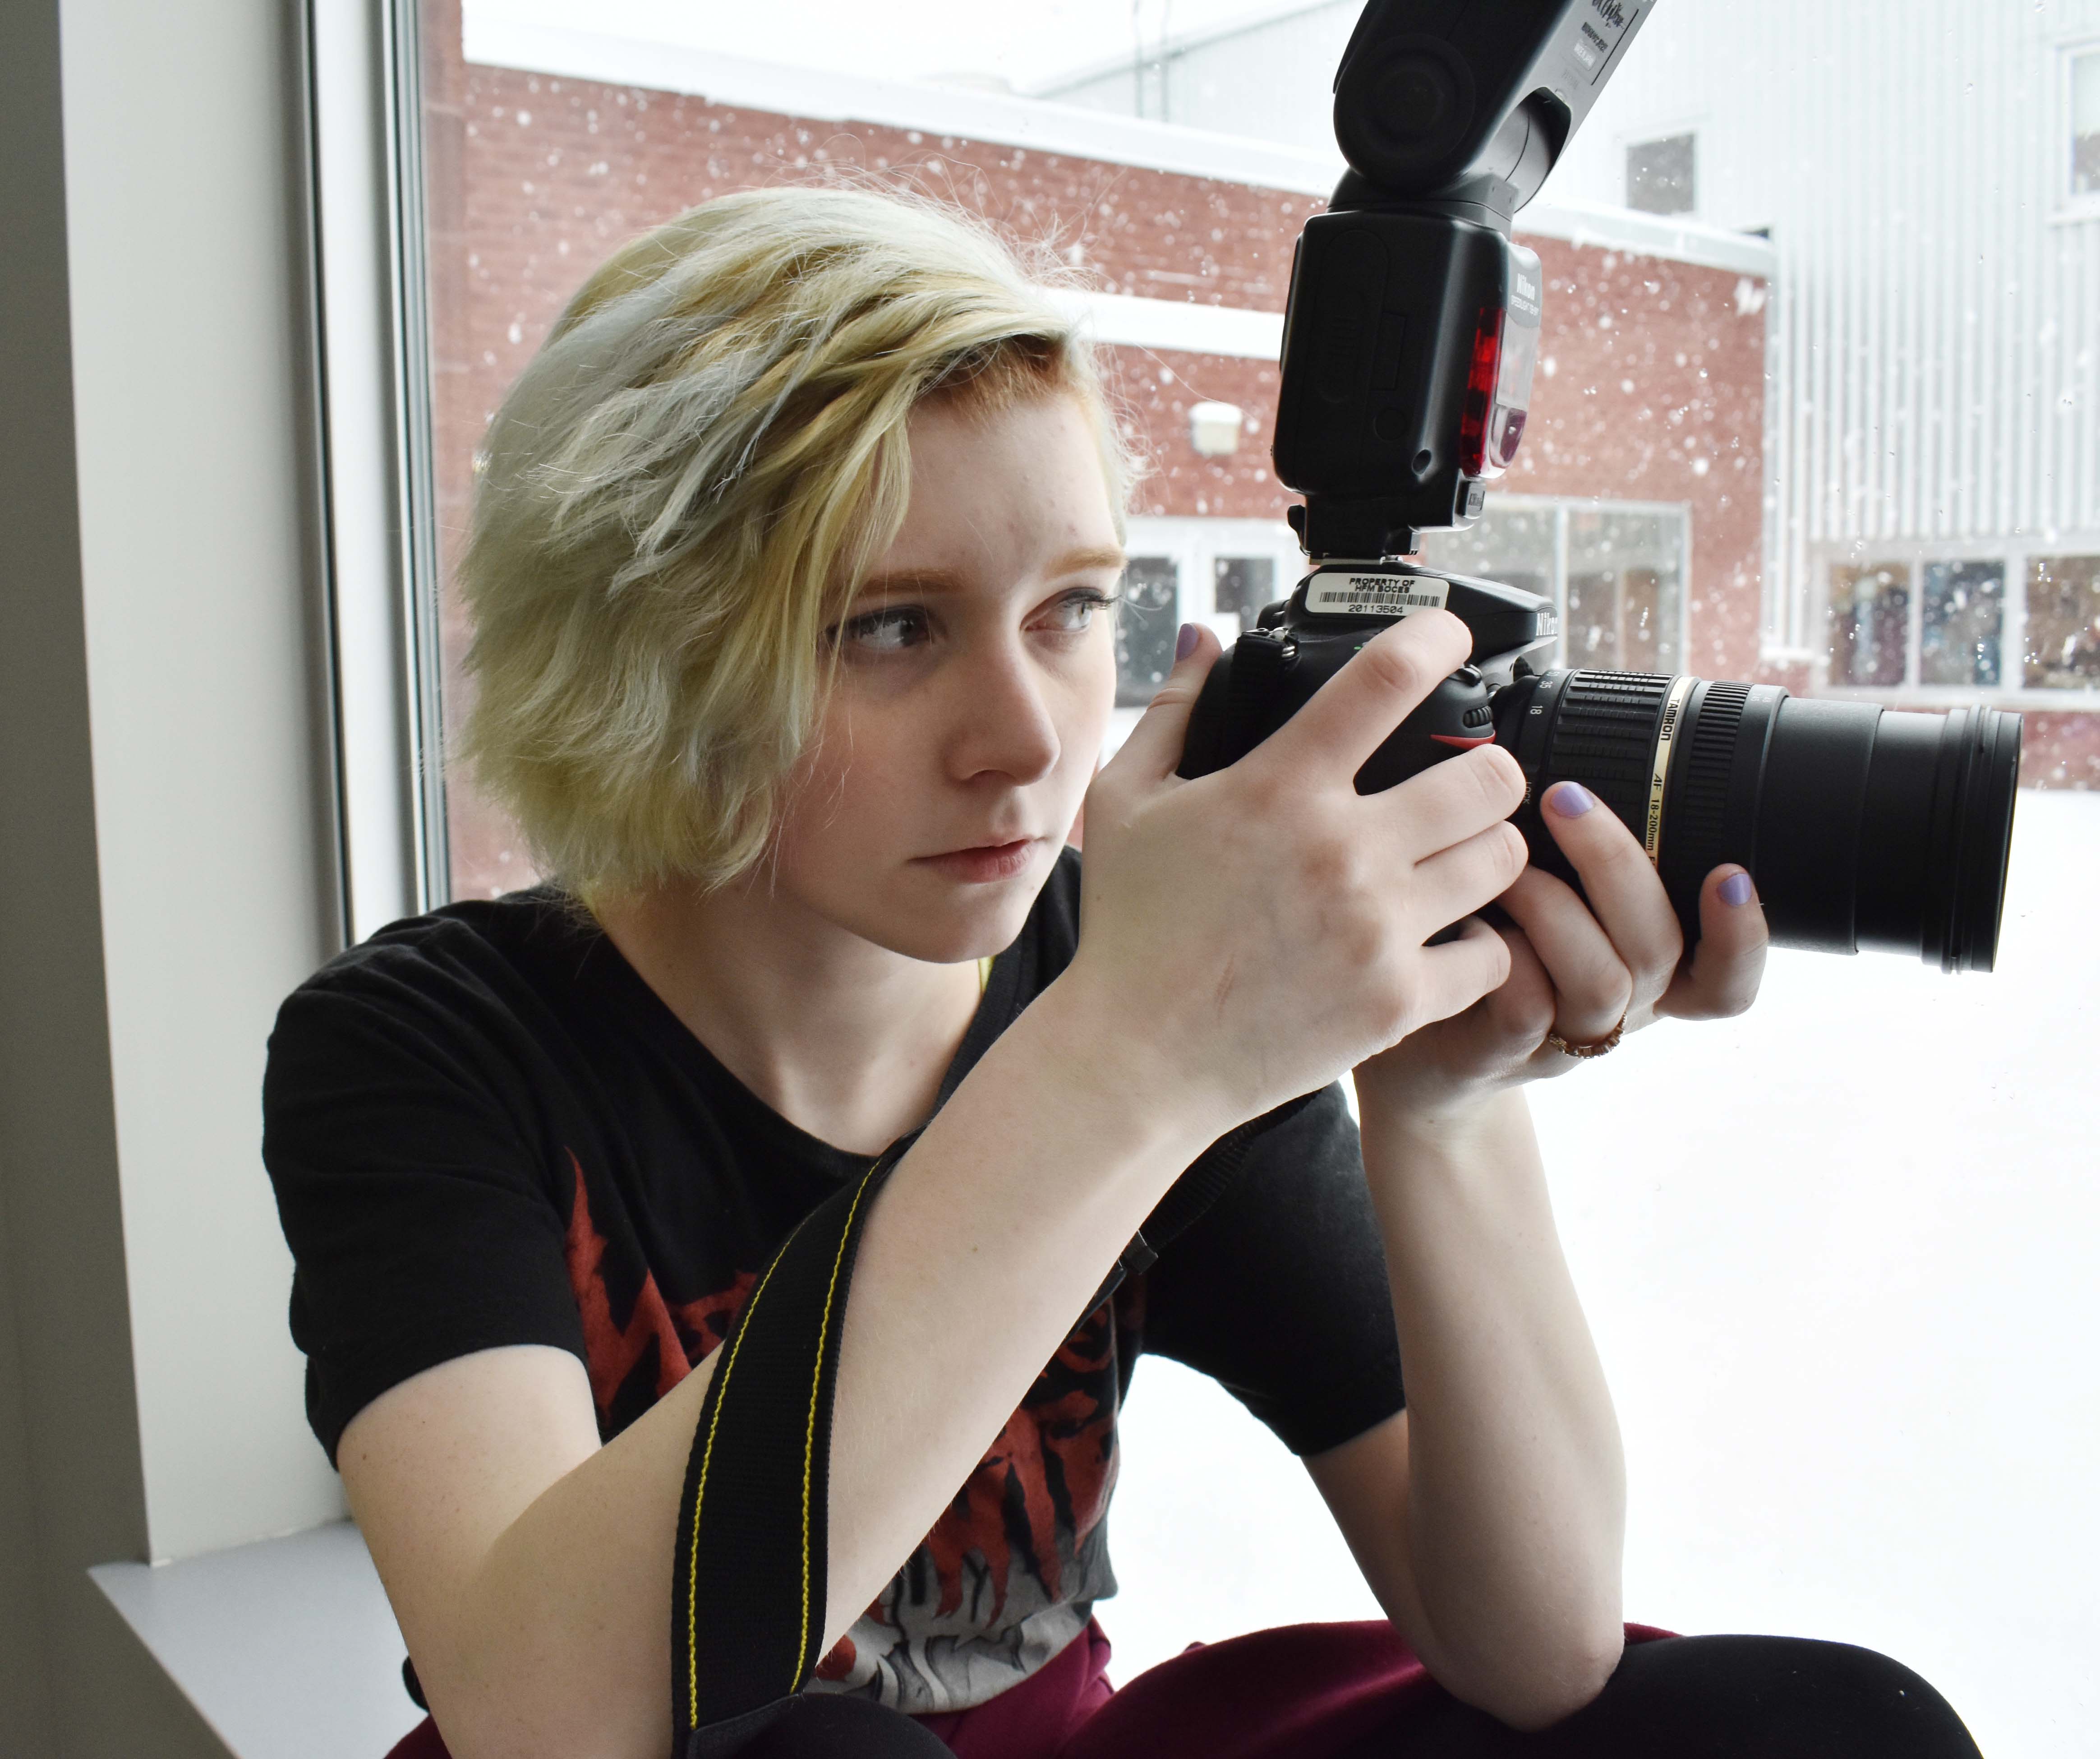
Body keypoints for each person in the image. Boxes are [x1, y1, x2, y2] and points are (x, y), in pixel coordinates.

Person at [262, 185, 1980, 1759]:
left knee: (1825, 1727)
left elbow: (1531, 1650)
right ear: (642, 652)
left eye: (1075, 608)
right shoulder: (431, 1045)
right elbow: (543, 1705)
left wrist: (1439, 1105)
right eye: (892, 625)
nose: (1025, 740)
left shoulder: (1129, 974)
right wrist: (1144, 1047)